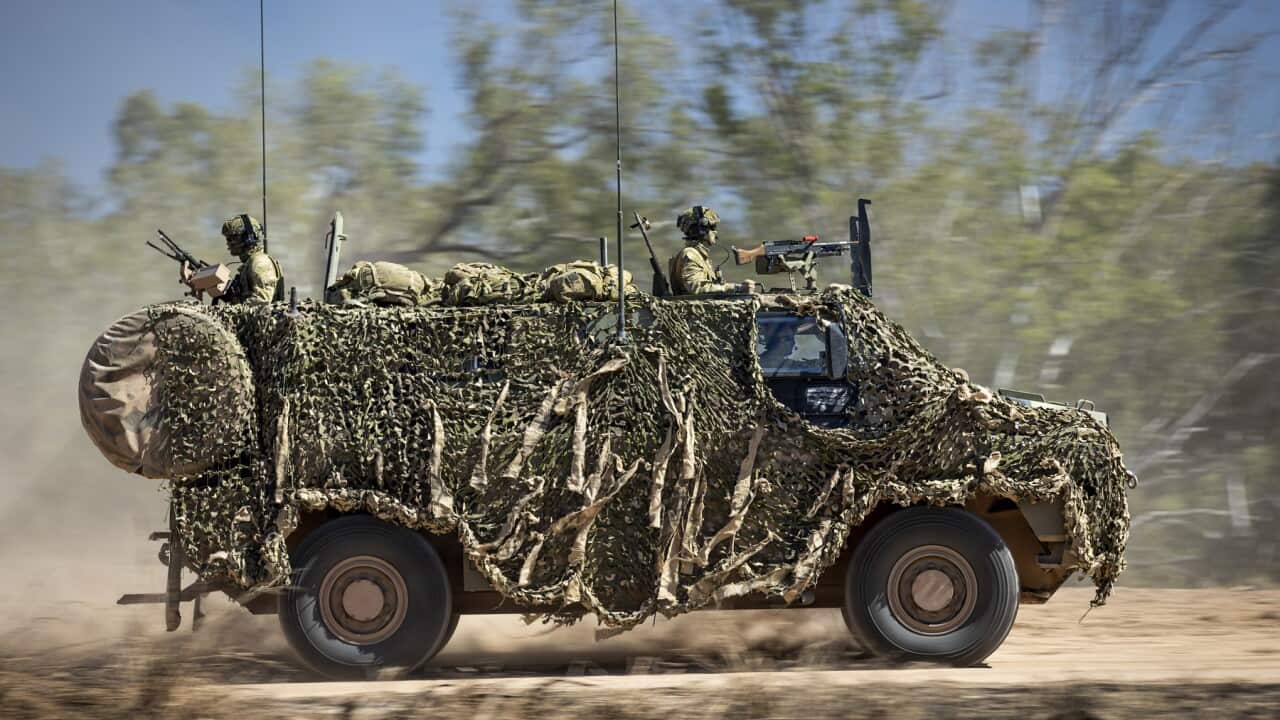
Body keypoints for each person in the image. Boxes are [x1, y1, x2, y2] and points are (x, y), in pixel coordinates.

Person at [185, 214, 283, 304]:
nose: (228, 243)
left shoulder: (259, 263)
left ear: (246, 238)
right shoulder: (250, 263)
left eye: (231, 239)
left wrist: (230, 311)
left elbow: (262, 300)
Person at [668, 205, 754, 295]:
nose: (715, 232)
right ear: (701, 230)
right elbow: (696, 288)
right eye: (713, 228)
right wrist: (735, 288)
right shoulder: (690, 254)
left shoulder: (700, 256)